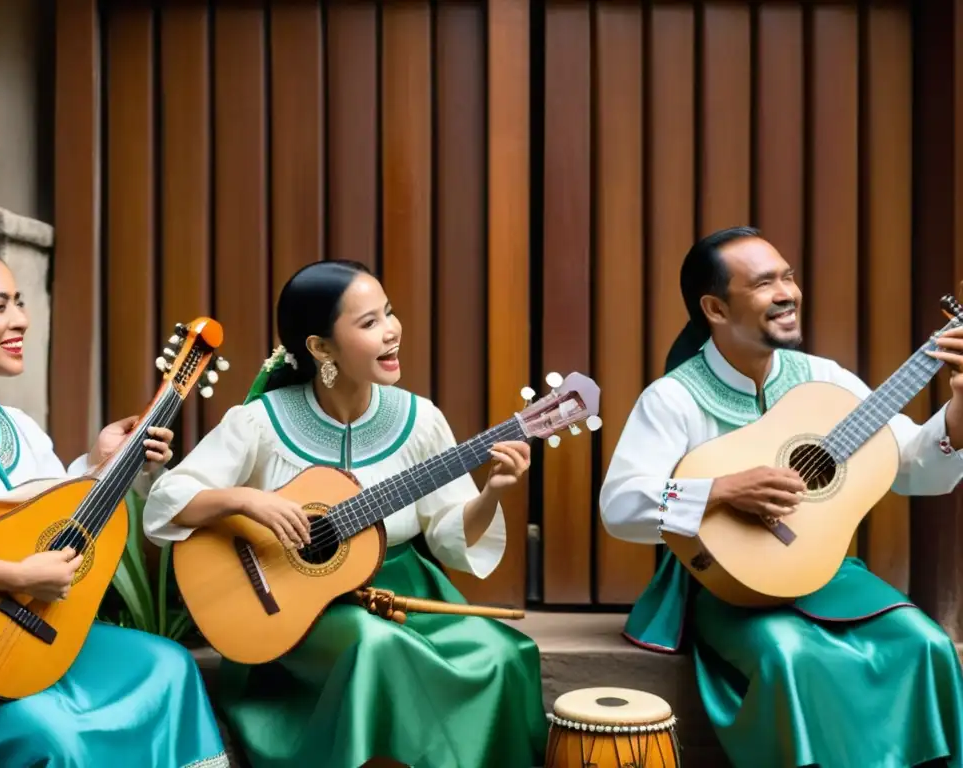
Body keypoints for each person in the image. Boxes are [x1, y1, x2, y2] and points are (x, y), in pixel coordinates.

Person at [142, 259, 547, 768]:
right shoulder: (261, 422)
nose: (392, 331)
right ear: (319, 347)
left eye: (389, 313)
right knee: (371, 647)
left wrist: (491, 494)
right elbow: (165, 502)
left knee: (505, 656)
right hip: (291, 610)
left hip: (405, 595)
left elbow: (448, 534)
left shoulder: (420, 420)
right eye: (369, 322)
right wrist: (247, 499)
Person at [599, 226, 963, 768]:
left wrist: (958, 412)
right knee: (791, 656)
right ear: (715, 309)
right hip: (725, 585)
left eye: (788, 276)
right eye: (765, 283)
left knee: (927, 643)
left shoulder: (824, 379)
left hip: (823, 569)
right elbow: (620, 506)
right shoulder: (674, 397)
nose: (787, 292)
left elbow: (909, 465)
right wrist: (721, 491)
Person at [0, 242, 228, 767]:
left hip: (27, 640)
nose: (21, 319)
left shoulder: (18, 429)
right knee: (54, 736)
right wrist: (14, 576)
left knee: (169, 666)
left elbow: (53, 517)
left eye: (20, 303)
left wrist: (102, 465)